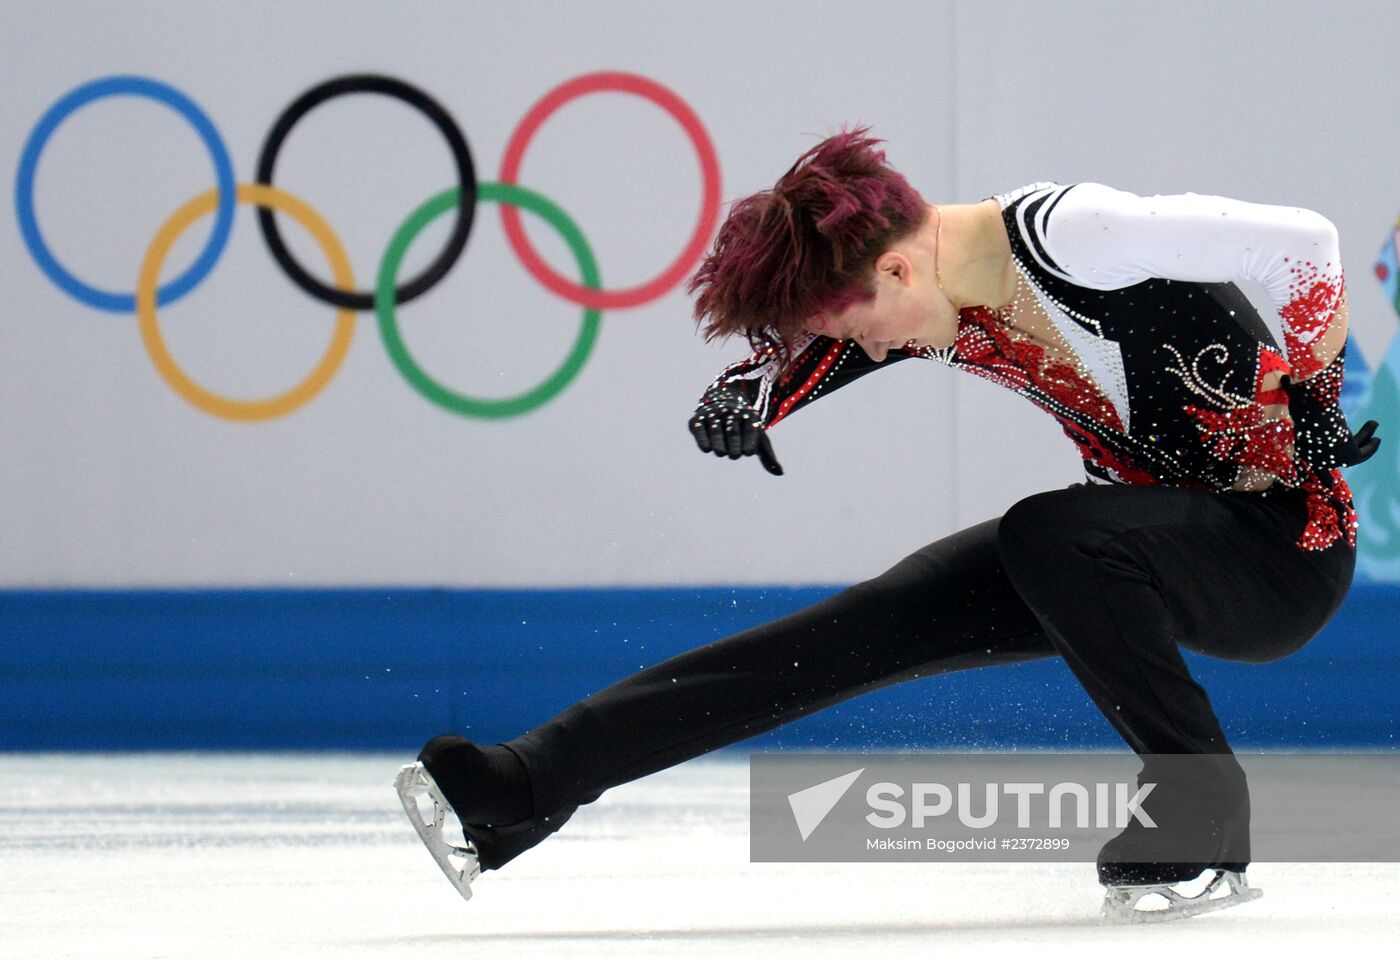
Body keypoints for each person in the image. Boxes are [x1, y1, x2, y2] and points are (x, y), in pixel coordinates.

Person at [394, 129, 1379, 920]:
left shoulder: (1075, 234)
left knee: (1046, 534)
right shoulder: (931, 288)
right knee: (861, 626)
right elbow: (806, 354)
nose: (864, 349)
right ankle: (524, 785)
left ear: (898, 271)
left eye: (857, 327)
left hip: (1279, 554)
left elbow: (1303, 244)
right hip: (1137, 550)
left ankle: (1201, 809)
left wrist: (1315, 388)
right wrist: (752, 395)